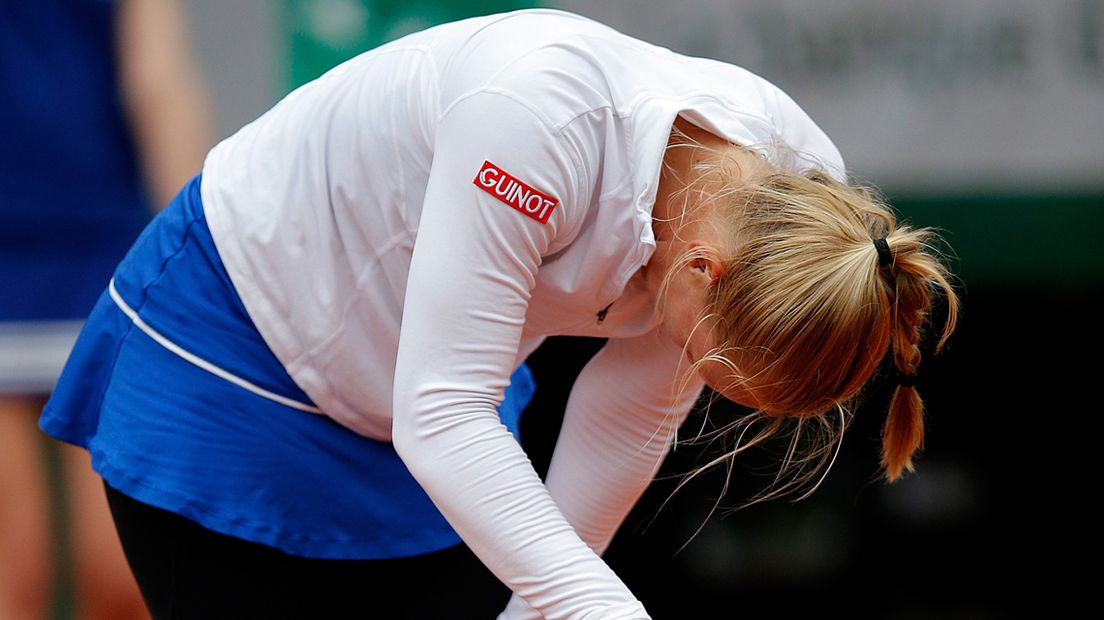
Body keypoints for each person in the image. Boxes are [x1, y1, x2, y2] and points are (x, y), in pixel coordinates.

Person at [38, 8, 958, 619]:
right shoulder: (538, 118)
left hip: (426, 402)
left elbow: (628, 411)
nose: (696, 391)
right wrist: (596, 605)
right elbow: (442, 414)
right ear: (705, 272)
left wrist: (559, 608)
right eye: (715, 370)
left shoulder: (804, 210)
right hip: (232, 355)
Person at [0, 1, 214, 619]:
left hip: (107, 257)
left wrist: (199, 267)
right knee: (14, 577)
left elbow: (158, 76)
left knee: (127, 575)